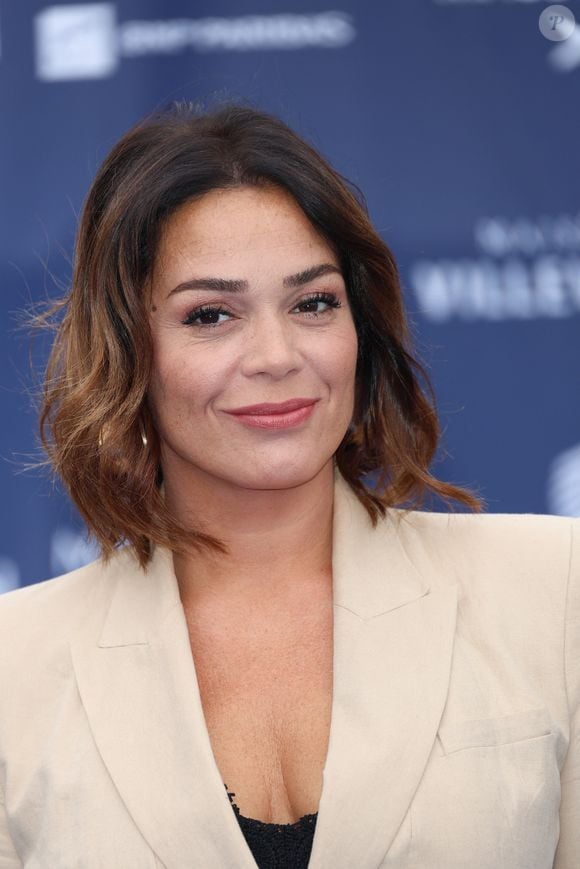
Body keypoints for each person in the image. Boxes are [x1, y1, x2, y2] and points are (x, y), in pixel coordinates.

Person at [0, 100, 577, 869]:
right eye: (211, 315)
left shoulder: (554, 588)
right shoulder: (13, 666)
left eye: (313, 303)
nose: (276, 355)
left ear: (360, 329)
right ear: (130, 351)